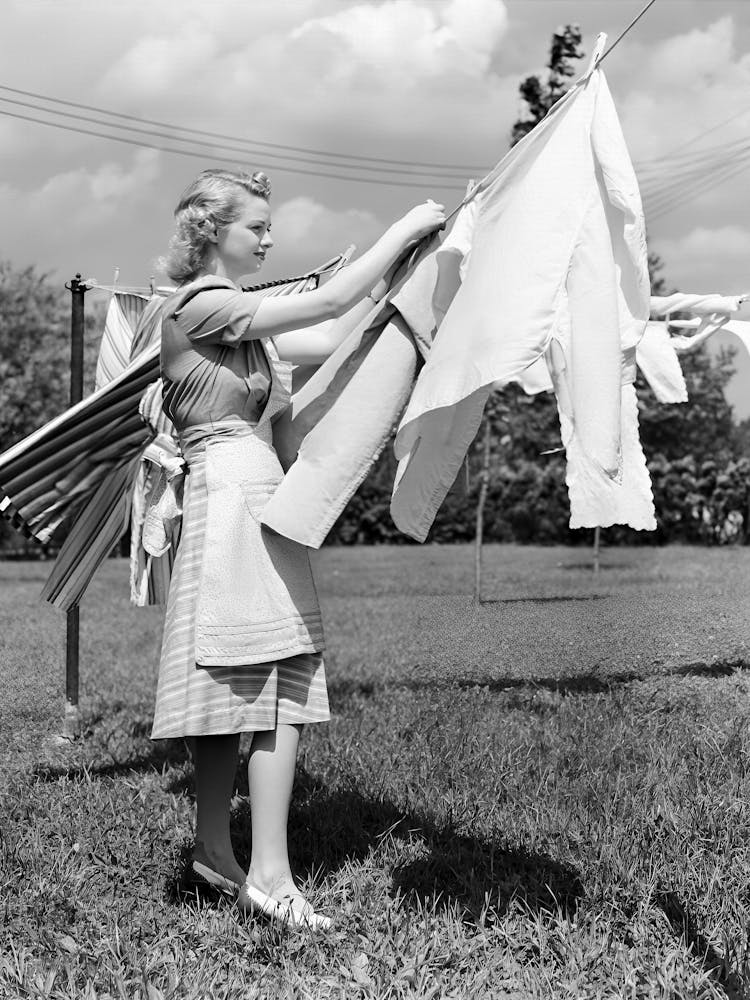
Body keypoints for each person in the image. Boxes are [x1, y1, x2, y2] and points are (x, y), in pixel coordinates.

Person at [151, 167, 445, 929]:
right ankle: (271, 877)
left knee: (233, 689)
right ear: (212, 231)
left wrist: (409, 278)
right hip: (235, 496)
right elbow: (326, 302)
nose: (271, 238)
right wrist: (405, 228)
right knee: (275, 685)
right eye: (258, 226)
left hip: (244, 495)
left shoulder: (242, 324)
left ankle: (217, 852)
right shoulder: (202, 304)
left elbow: (333, 331)